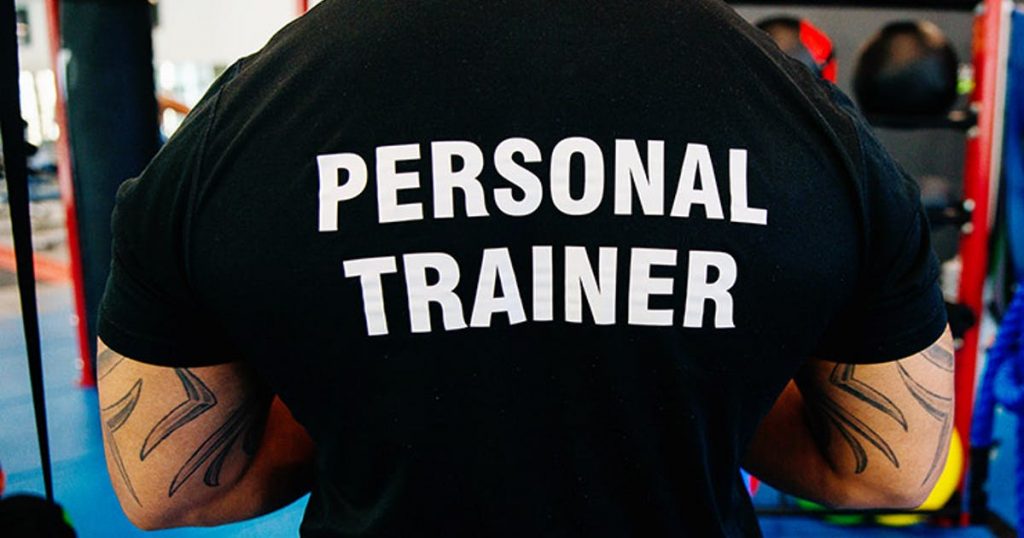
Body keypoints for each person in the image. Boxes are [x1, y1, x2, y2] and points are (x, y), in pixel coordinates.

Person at [95, 1, 954, 536]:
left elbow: (171, 487)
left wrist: (370, 391)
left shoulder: (241, 126)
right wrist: (688, 390)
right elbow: (889, 468)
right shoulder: (804, 122)